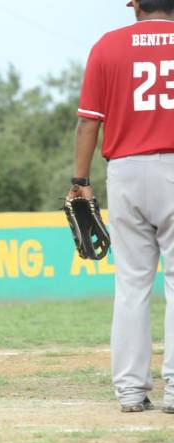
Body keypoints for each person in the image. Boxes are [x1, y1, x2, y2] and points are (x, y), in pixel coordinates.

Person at [70, 0, 174, 413]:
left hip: (126, 171)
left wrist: (80, 182)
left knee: (132, 284)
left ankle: (131, 390)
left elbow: (88, 122)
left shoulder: (108, 46)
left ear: (134, 4)